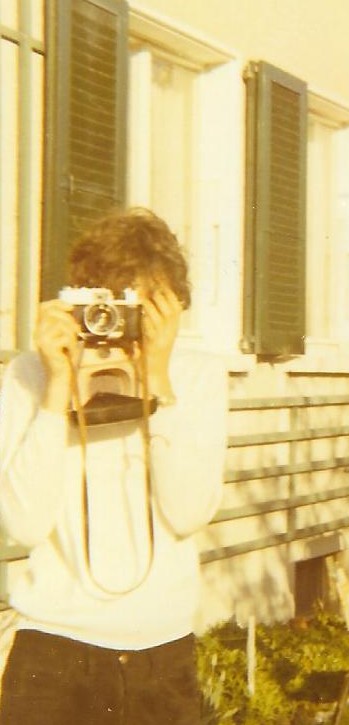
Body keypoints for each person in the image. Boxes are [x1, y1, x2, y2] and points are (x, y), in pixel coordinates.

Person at [0, 208, 228, 724]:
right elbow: (24, 524)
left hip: (160, 652)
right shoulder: (31, 375)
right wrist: (57, 389)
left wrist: (159, 382)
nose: (116, 327)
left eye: (136, 310)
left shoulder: (195, 376)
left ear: (172, 307)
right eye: (105, 306)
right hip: (53, 648)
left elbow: (189, 512)